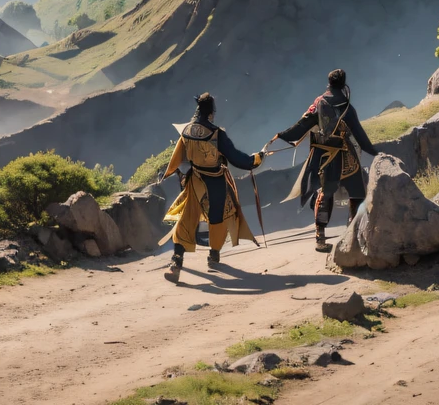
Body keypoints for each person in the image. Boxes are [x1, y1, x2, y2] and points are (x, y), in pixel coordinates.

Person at [269, 68, 378, 252]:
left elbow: (301, 126)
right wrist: (375, 151)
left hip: (324, 155)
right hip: (345, 155)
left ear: (329, 83)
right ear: (343, 84)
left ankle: (320, 238)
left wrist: (280, 136)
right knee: (357, 191)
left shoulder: (319, 103)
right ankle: (352, 235)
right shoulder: (347, 107)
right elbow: (359, 135)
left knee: (325, 193)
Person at [161, 92, 264, 283]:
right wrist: (256, 159)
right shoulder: (217, 134)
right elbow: (236, 158)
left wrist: (173, 175)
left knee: (186, 219)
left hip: (195, 179)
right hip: (216, 180)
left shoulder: (186, 131)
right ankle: (214, 254)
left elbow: (177, 158)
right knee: (217, 217)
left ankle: (176, 262)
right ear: (211, 113)